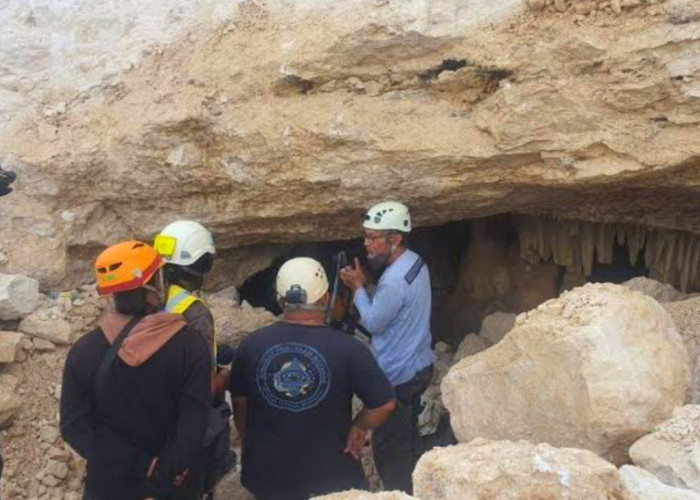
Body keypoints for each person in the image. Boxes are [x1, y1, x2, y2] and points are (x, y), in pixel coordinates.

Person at [230, 257, 396, 500]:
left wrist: (250, 442)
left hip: (268, 476)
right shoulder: (349, 349)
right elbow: (384, 403)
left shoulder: (251, 345)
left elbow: (240, 403)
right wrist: (358, 427)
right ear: (326, 298)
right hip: (330, 478)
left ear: (280, 299)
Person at [60, 241, 211, 500]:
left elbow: (74, 427)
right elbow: (194, 423)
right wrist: (160, 474)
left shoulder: (83, 351)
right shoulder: (190, 345)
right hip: (171, 486)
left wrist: (135, 462)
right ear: (153, 287)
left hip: (108, 485)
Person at [339, 200, 434, 494]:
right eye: (365, 236)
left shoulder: (393, 280)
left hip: (399, 374)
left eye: (372, 238)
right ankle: (422, 482)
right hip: (420, 363)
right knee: (407, 437)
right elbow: (392, 308)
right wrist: (368, 287)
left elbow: (374, 322)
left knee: (389, 451)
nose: (366, 244)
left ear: (395, 239)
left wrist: (357, 288)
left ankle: (403, 492)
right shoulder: (415, 262)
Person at [154, 220, 234, 492]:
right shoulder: (194, 312)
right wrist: (225, 376)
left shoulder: (147, 300)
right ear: (200, 266)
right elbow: (204, 387)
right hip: (187, 429)